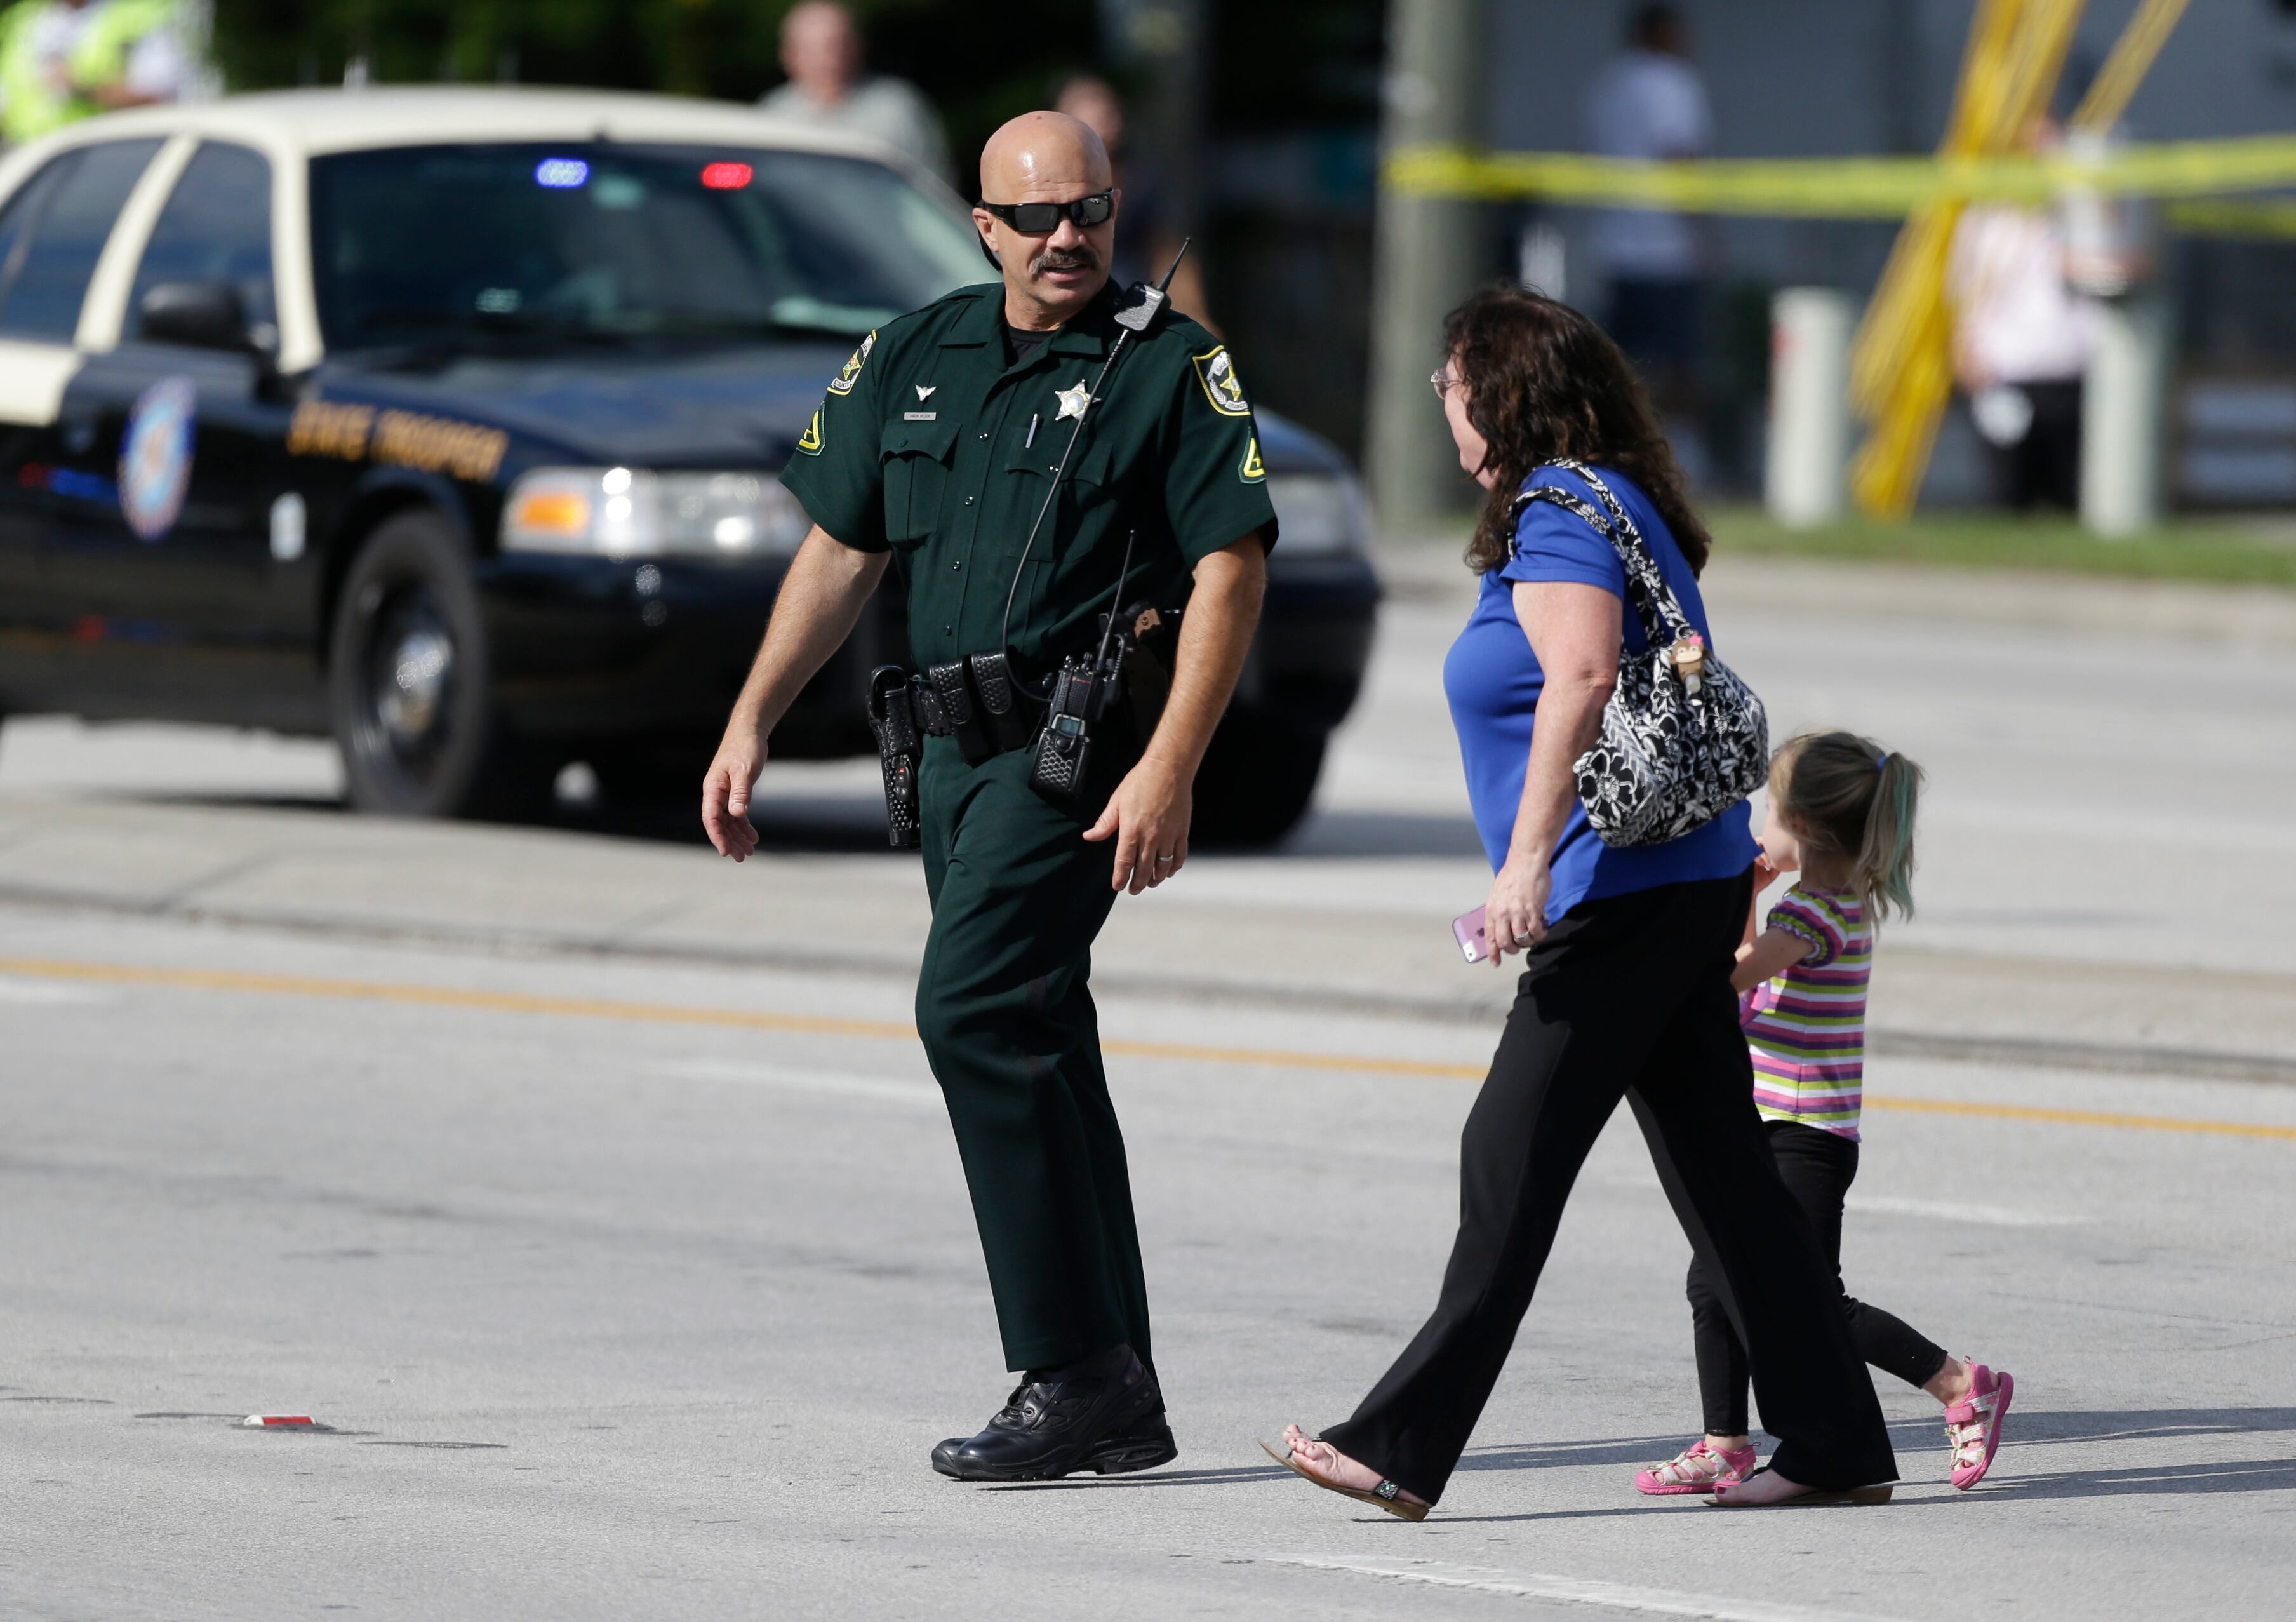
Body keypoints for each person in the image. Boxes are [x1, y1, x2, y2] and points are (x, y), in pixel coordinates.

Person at [700, 111, 1274, 1482]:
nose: (1067, 237)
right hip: (947, 756)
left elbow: (1233, 574)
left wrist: (1171, 764)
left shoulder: (1168, 367)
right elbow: (840, 551)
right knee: (1039, 1031)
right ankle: (1118, 1383)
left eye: (1090, 211)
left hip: (1073, 754)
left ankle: (1070, 1367)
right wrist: (751, 717)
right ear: (984, 226)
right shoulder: (914, 352)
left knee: (968, 1006)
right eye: (1036, 217)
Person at [1266, 286, 1896, 1518]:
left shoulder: (1558, 508)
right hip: (1686, 882)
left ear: (1497, 395)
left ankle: (1402, 1440)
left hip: (1621, 893)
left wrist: (1525, 866)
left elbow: (1585, 673)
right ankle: (1833, 1436)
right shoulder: (1622, 498)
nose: (1442, 405)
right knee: (1727, 1179)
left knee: (1508, 1157)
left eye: (1450, 384)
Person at [1636, 730, 2018, 1498]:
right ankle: (1725, 1442)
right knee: (1715, 1280)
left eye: (1768, 813)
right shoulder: (1827, 903)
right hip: (1784, 1127)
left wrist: (1729, 895)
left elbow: (1725, 990)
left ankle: (1956, 1381)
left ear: (1803, 827)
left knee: (1803, 1298)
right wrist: (1748, 896)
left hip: (1802, 1137)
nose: (1758, 830)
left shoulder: (1812, 915)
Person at [1949, 125, 2101, 514]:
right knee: (2008, 498)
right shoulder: (1986, 224)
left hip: (2071, 376)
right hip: (2008, 376)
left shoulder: (2081, 221)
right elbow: (1964, 301)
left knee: (2072, 498)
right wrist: (1968, 361)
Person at [1585, 4, 1711, 467]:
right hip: (1666, 245)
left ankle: (1616, 445)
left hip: (1617, 243)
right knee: (1681, 360)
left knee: (1620, 359)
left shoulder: (1608, 85)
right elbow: (1680, 157)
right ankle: (1684, 456)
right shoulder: (1671, 83)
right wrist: (1701, 228)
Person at [1051, 72, 1211, 332]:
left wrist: (1196, 315)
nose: (1107, 116)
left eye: (1109, 107)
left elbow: (1167, 248)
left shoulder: (1142, 176)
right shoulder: (1047, 180)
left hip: (1129, 309)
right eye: (1093, 106)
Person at [758, 1, 952, 187]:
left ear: (858, 45)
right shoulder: (772, 115)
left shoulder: (899, 109)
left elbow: (934, 185)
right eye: (813, 48)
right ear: (788, 55)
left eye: (837, 44)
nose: (829, 56)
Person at [0, 0, 200, 152]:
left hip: (111, 163)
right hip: (37, 172)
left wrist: (83, 89)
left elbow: (159, 95)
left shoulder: (135, 12)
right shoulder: (23, 21)